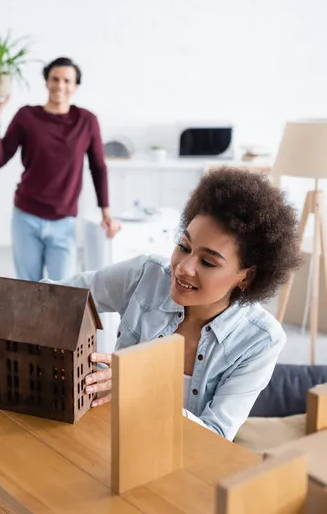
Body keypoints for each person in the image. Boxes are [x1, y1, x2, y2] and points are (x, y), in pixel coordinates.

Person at [50, 167, 301, 441]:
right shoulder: (147, 275)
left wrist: (140, 386)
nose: (183, 267)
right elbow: (56, 298)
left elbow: (215, 438)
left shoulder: (260, 340)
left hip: (180, 465)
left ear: (246, 277)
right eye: (184, 246)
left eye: (207, 262)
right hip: (106, 438)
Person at [0, 56, 119, 282]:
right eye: (55, 79)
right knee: (27, 288)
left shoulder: (87, 121)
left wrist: (106, 212)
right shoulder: (27, 116)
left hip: (63, 221)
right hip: (25, 217)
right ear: (46, 82)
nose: (60, 85)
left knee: (63, 291)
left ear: (75, 86)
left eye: (67, 81)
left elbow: (98, 167)